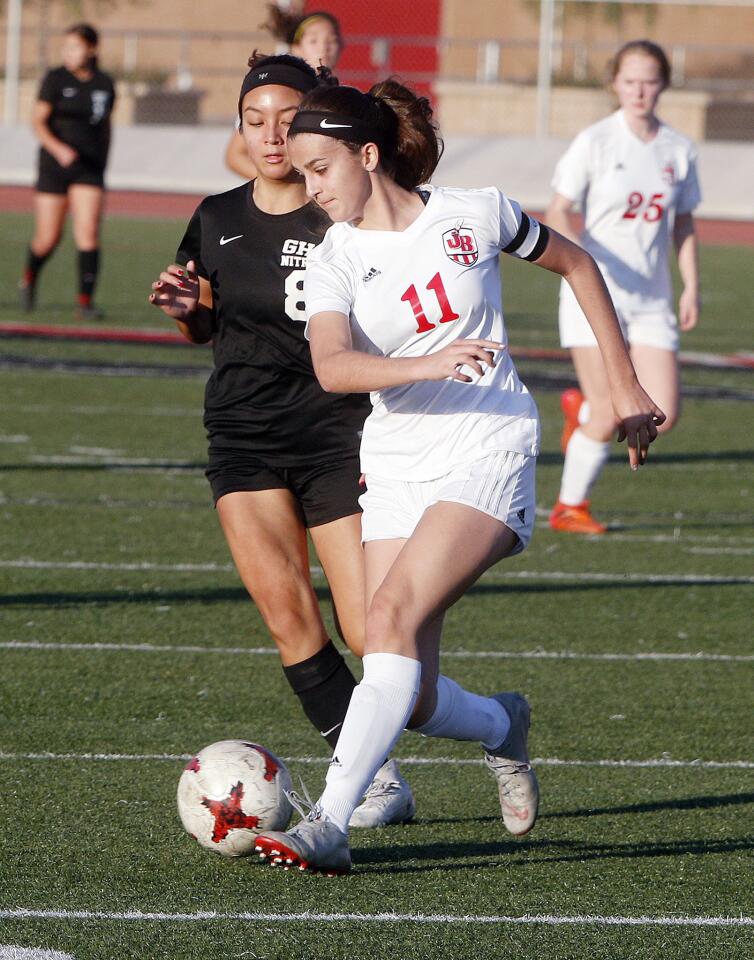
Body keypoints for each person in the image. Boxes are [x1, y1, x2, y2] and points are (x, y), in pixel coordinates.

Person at [253, 78, 665, 876]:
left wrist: (623, 388)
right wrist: (429, 360)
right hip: (398, 459)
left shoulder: (473, 213)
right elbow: (334, 368)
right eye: (302, 174)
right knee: (401, 685)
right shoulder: (337, 256)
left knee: (392, 616)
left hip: (490, 444)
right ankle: (501, 725)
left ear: (368, 156)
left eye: (322, 168)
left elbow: (578, 266)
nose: (312, 188)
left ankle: (329, 825)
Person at [148, 53, 414, 829]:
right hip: (243, 435)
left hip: (340, 435)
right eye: (254, 119)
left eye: (286, 119)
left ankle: (482, 724)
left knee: (370, 629)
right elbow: (205, 324)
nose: (271, 135)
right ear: (239, 124)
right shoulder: (217, 216)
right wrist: (185, 310)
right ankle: (372, 780)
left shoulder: (346, 211)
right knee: (288, 616)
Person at [547, 39, 701, 535]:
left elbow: (683, 223)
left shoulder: (679, 149)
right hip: (596, 296)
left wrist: (690, 286)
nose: (639, 90)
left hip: (652, 299)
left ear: (663, 85)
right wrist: (582, 263)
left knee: (663, 414)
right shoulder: (596, 141)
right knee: (615, 406)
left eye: (650, 80)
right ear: (615, 83)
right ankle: (569, 506)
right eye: (630, 80)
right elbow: (556, 211)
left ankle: (585, 409)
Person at [19, 23, 116, 321]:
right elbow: (38, 121)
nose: (69, 53)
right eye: (66, 47)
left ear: (92, 49)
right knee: (48, 237)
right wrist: (58, 149)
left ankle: (84, 303)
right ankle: (29, 277)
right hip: (54, 168)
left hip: (88, 169)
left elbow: (105, 127)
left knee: (88, 233)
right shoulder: (55, 79)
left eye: (75, 47)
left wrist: (103, 162)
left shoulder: (104, 83)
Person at [225, 6, 343, 180]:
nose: (324, 48)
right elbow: (235, 156)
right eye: (313, 41)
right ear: (296, 47)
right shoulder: (272, 92)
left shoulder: (342, 98)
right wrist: (278, 187)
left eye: (331, 41)